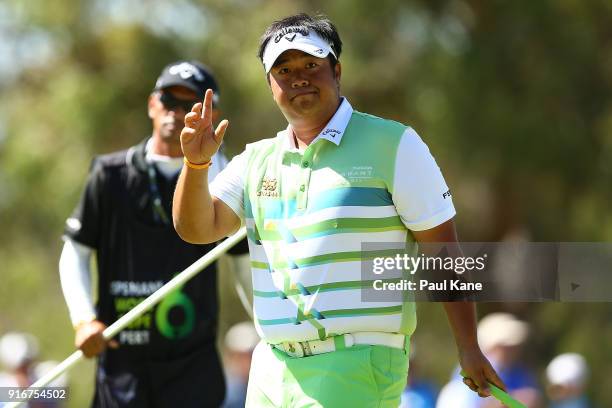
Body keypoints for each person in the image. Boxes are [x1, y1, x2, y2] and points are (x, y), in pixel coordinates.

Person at [173, 13, 503, 407]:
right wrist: (195, 165)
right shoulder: (255, 160)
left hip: (355, 361)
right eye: (284, 69)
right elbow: (197, 228)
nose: (299, 77)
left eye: (311, 64)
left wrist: (468, 346)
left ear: (337, 70)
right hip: (271, 368)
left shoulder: (394, 144)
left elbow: (444, 254)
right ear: (270, 84)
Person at [59, 61, 245, 407]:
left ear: (210, 112)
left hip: (192, 367)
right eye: (167, 99)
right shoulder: (109, 175)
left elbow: (244, 263)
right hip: (122, 365)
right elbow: (76, 251)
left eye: (187, 103)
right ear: (151, 104)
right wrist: (83, 319)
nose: (174, 112)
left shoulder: (227, 181)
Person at [436, 313, 542, 408]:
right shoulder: (467, 377)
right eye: (507, 346)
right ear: (493, 346)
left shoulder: (516, 372)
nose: (515, 350)